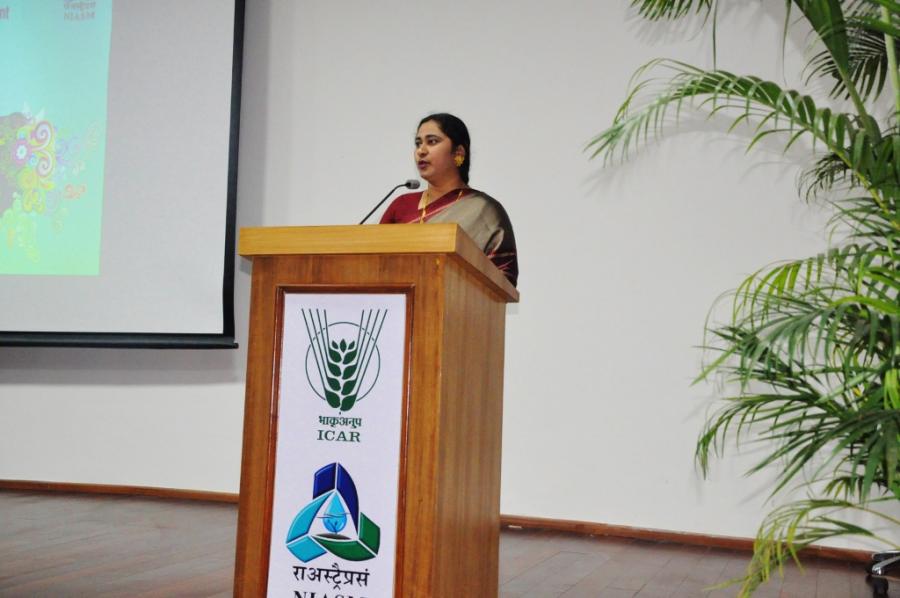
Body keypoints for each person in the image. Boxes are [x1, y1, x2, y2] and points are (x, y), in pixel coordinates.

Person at [380, 113, 519, 287]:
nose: (421, 151)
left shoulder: (484, 210)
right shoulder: (401, 205)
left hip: (459, 303)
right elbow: (376, 264)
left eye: (432, 141)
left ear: (458, 153)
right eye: (418, 143)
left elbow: (503, 281)